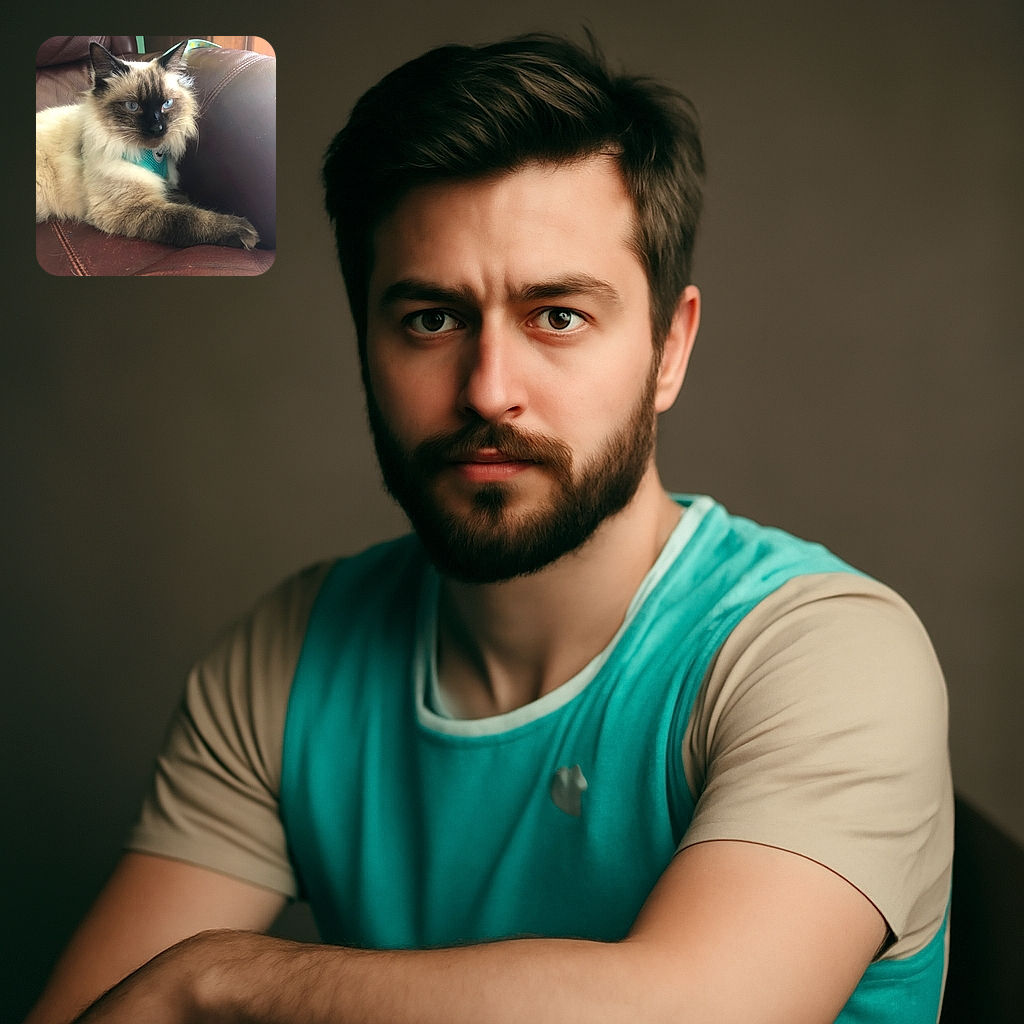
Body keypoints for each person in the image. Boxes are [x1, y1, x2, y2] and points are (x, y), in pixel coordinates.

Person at [27, 34, 953, 1024]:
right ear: (364, 343)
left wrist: (223, 979)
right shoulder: (288, 660)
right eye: (431, 319)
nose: (488, 391)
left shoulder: (824, 654)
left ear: (668, 348)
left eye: (557, 316)